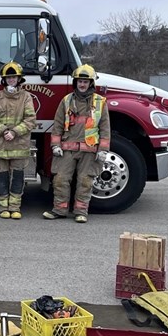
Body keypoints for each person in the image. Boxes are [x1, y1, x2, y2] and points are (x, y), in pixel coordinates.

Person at [43, 64, 110, 223]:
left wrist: (103, 149)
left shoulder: (100, 102)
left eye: (85, 82)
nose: (82, 84)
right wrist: (55, 145)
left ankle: (81, 212)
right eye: (79, 81)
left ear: (91, 84)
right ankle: (59, 209)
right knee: (60, 179)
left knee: (85, 180)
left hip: (90, 150)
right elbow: (58, 125)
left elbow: (105, 127)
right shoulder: (66, 101)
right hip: (67, 149)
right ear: (75, 82)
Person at [0, 62, 36, 219]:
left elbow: (30, 119)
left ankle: (15, 207)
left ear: (19, 79)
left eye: (14, 77)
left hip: (18, 144)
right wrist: (4, 131)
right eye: (8, 78)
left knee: (18, 177)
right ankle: (3, 207)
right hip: (0, 145)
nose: (11, 80)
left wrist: (14, 132)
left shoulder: (26, 97)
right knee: (1, 176)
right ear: (4, 80)